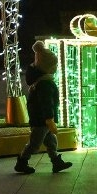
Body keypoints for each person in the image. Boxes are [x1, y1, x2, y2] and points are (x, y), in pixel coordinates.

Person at [14, 41, 72, 174]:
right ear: (47, 67)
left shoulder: (41, 81)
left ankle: (56, 162)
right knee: (34, 144)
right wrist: (49, 119)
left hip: (42, 121)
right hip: (41, 121)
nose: (56, 67)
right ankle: (22, 161)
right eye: (54, 65)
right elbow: (46, 103)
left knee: (51, 142)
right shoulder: (45, 84)